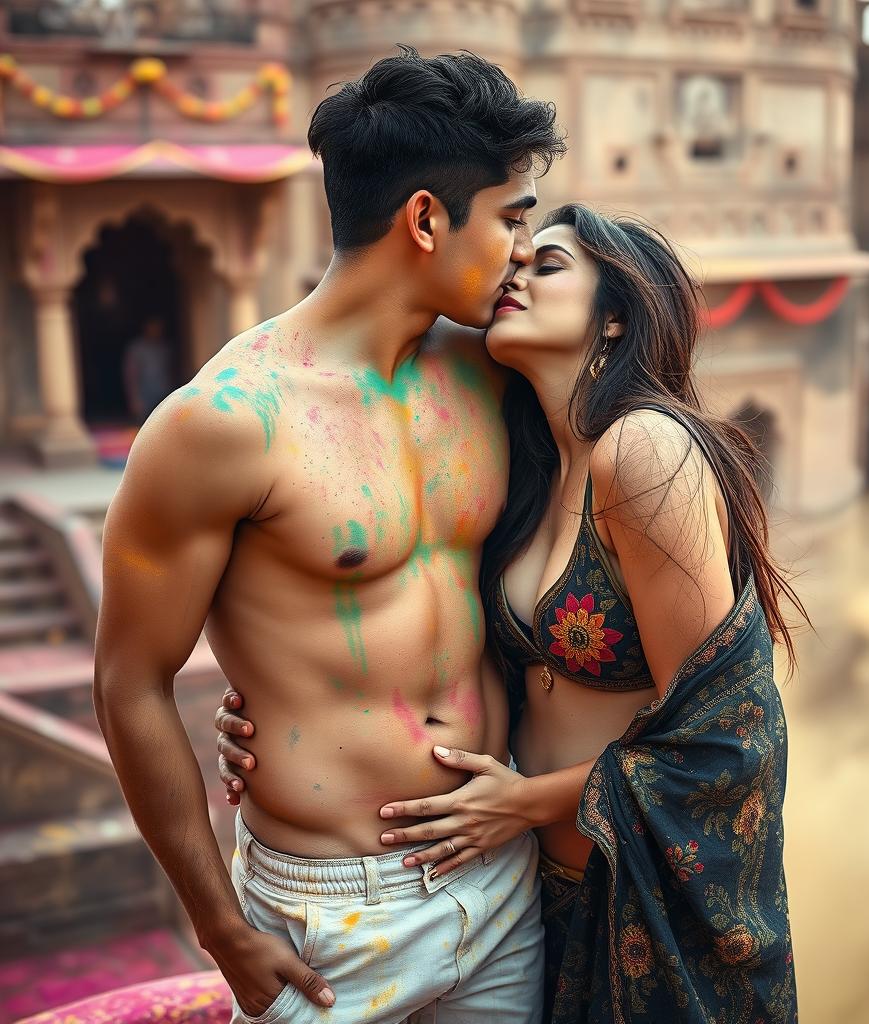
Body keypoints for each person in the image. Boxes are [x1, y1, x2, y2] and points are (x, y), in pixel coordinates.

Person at [217, 205, 805, 1022]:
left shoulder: (642, 451)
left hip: (637, 899)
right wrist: (282, 706)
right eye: (517, 257)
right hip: (528, 894)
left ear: (615, 315)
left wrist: (522, 801)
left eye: (550, 264)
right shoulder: (525, 462)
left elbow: (728, 731)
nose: (516, 273)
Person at [93, 47, 565, 1024]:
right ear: (427, 218)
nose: (525, 249)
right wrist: (219, 925)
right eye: (512, 218)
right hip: (327, 918)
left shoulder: (492, 371)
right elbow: (129, 679)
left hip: (501, 877)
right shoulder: (221, 424)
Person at [123, 315, 175, 422]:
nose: (156, 330)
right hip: (145, 395)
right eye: (153, 327)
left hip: (164, 392)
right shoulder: (137, 348)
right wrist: (135, 399)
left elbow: (171, 369)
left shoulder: (165, 347)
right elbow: (131, 374)